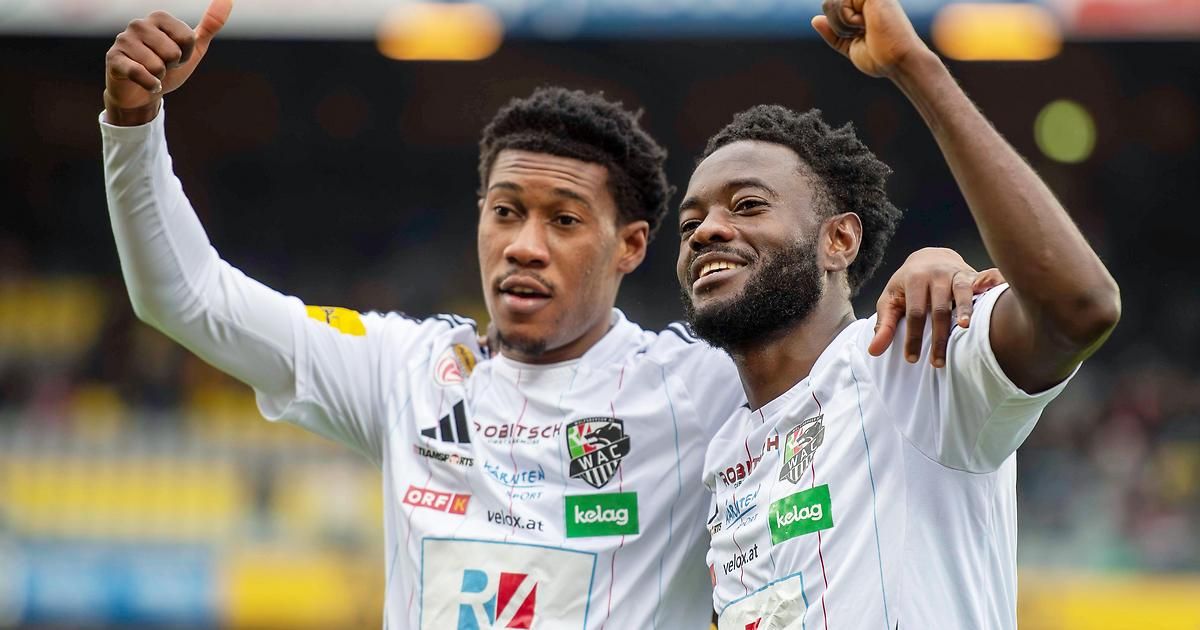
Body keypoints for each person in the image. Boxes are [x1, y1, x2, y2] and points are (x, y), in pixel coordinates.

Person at [101, 1, 1001, 627]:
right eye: (504, 212)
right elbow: (186, 297)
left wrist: (935, 260)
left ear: (631, 246)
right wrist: (134, 127)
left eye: (564, 221)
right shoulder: (405, 373)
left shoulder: (700, 387)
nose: (524, 245)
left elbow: (831, 361)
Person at [679, 0, 1121, 628]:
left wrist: (916, 68)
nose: (707, 232)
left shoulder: (916, 359)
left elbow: (1082, 308)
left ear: (840, 241)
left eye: (748, 205)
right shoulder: (727, 450)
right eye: (691, 222)